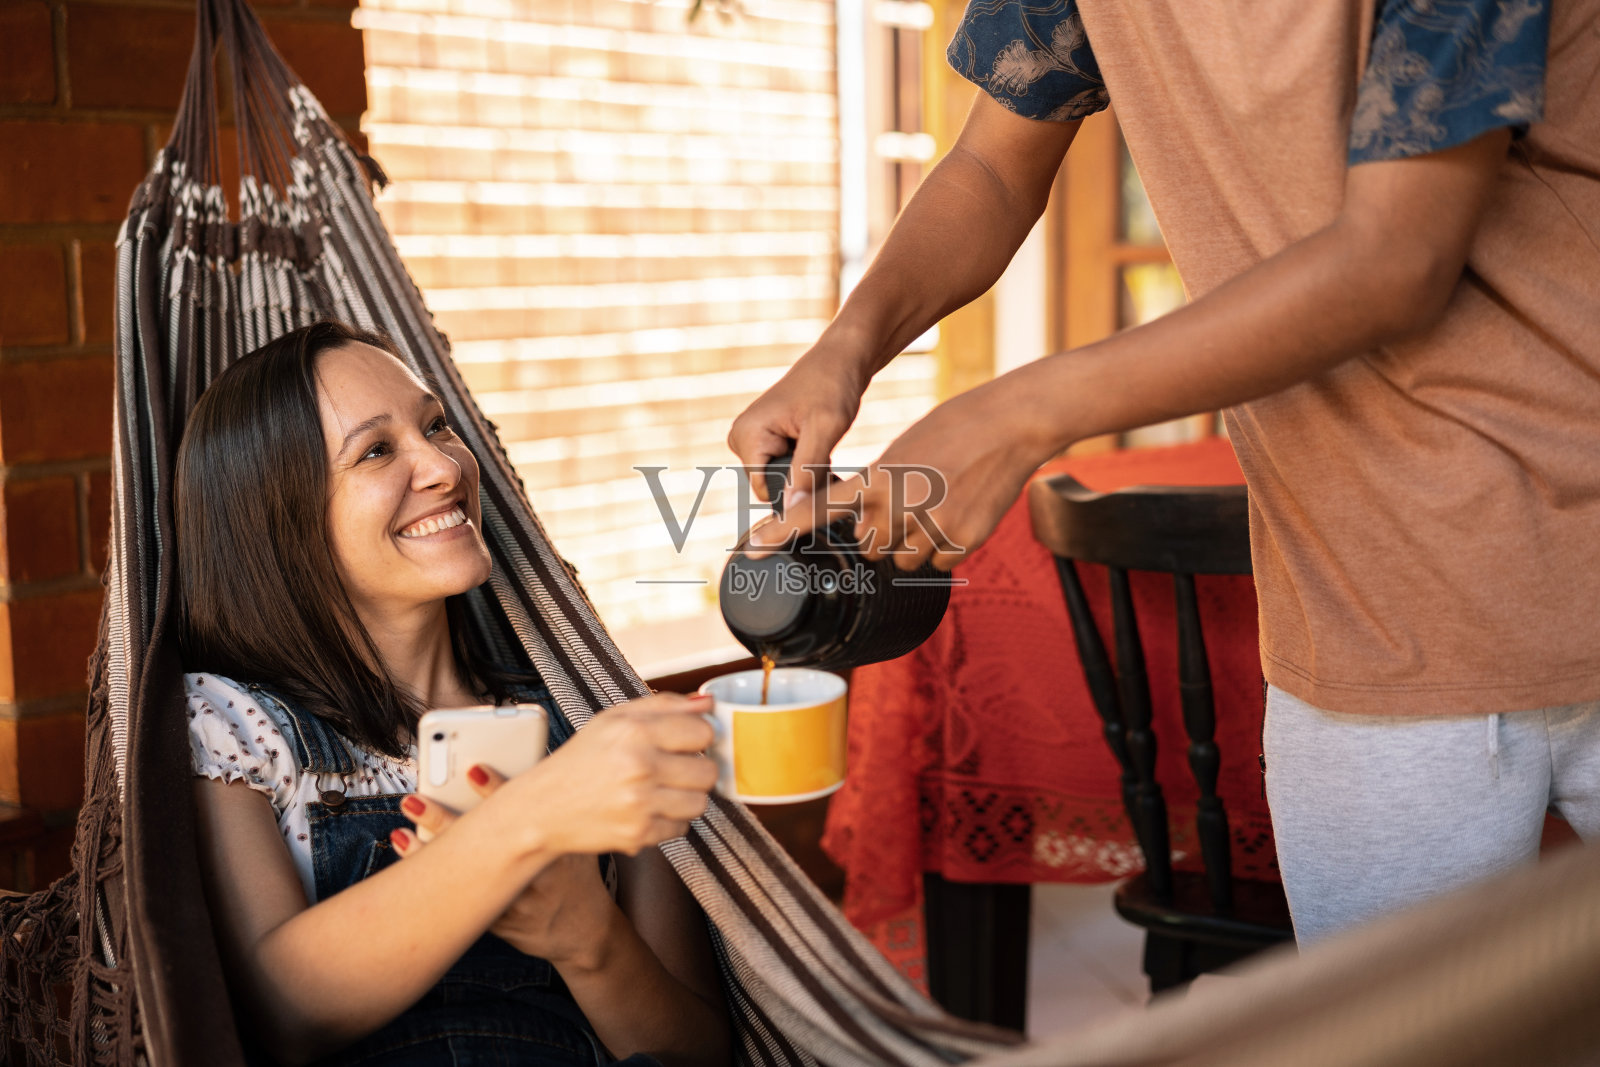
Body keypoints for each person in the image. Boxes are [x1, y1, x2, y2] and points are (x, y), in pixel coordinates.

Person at [730, 0, 1600, 942]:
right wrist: (847, 348)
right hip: (1361, 595)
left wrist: (1019, 415)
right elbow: (990, 162)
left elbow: (1396, 256)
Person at [177, 321, 731, 1065]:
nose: (442, 464)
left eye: (436, 425)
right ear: (277, 516)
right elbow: (279, 1013)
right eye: (377, 450)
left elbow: (701, 1054)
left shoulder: (588, 719)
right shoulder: (234, 727)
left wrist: (589, 939)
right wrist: (530, 817)